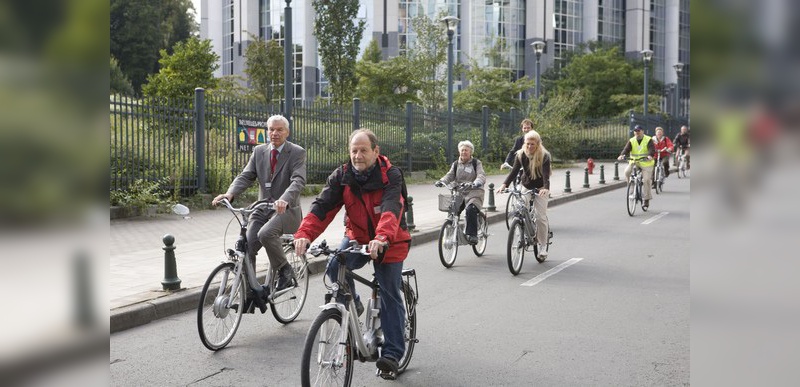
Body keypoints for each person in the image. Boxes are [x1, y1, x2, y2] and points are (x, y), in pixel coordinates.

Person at [293, 129, 411, 376]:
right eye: (354, 150)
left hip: (389, 241)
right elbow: (322, 206)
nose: (358, 155)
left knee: (389, 292)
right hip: (357, 237)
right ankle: (354, 304)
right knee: (335, 266)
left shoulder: (390, 175)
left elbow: (391, 208)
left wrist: (381, 238)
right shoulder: (343, 175)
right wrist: (304, 234)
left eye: (363, 150)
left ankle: (392, 354)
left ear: (375, 151)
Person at [211, 114, 306, 310]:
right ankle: (251, 293)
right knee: (247, 245)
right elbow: (246, 176)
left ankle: (285, 270)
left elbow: (298, 180)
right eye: (271, 129)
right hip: (262, 208)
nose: (274, 133)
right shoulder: (259, 151)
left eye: (279, 130)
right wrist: (229, 194)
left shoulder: (296, 152)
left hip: (286, 211)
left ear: (287, 132)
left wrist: (285, 199)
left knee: (265, 233)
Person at [495, 130, 551, 260]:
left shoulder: (544, 156)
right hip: (526, 184)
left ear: (537, 144)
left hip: (541, 186)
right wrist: (504, 185)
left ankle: (542, 246)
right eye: (527, 144)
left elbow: (546, 175)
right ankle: (522, 229)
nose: (529, 146)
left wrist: (545, 188)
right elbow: (514, 172)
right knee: (520, 207)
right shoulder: (520, 155)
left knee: (539, 216)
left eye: (532, 144)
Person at [435, 140, 487, 244]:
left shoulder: (476, 163)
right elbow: (449, 175)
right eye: (462, 150)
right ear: (459, 151)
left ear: (470, 152)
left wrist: (477, 182)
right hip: (459, 192)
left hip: (474, 192)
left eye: (466, 150)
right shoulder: (455, 164)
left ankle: (472, 235)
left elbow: (481, 175)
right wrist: (441, 181)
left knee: (470, 210)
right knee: (452, 210)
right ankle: (450, 233)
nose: (464, 152)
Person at [617, 124, 655, 210]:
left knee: (646, 180)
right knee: (627, 172)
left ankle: (646, 199)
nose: (637, 132)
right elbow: (626, 149)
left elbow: (652, 149)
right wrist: (622, 155)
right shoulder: (632, 140)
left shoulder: (648, 139)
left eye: (638, 131)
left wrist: (650, 155)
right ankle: (631, 186)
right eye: (635, 131)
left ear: (642, 131)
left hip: (646, 163)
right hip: (634, 162)